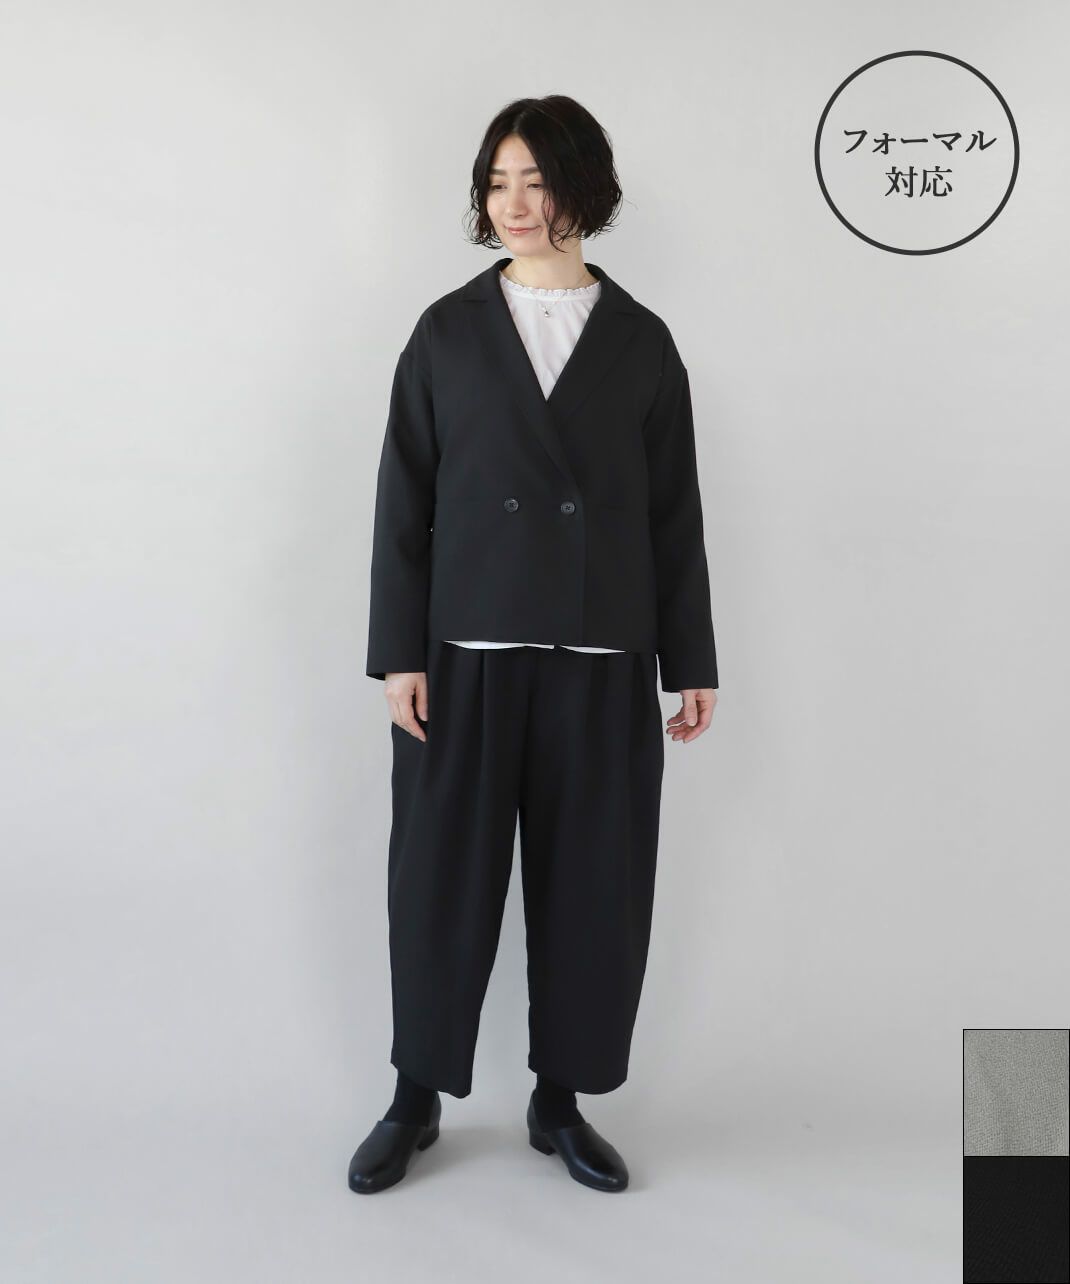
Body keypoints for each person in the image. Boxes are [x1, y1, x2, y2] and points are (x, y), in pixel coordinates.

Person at [348, 95, 719, 1195]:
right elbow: (403, 501)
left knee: (595, 887)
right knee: (437, 883)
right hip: (463, 653)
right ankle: (415, 1096)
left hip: (602, 658)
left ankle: (559, 1103)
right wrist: (399, 653)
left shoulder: (642, 341)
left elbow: (673, 515)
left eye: (537, 180)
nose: (513, 202)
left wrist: (690, 662)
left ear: (582, 188)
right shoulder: (446, 331)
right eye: (498, 180)